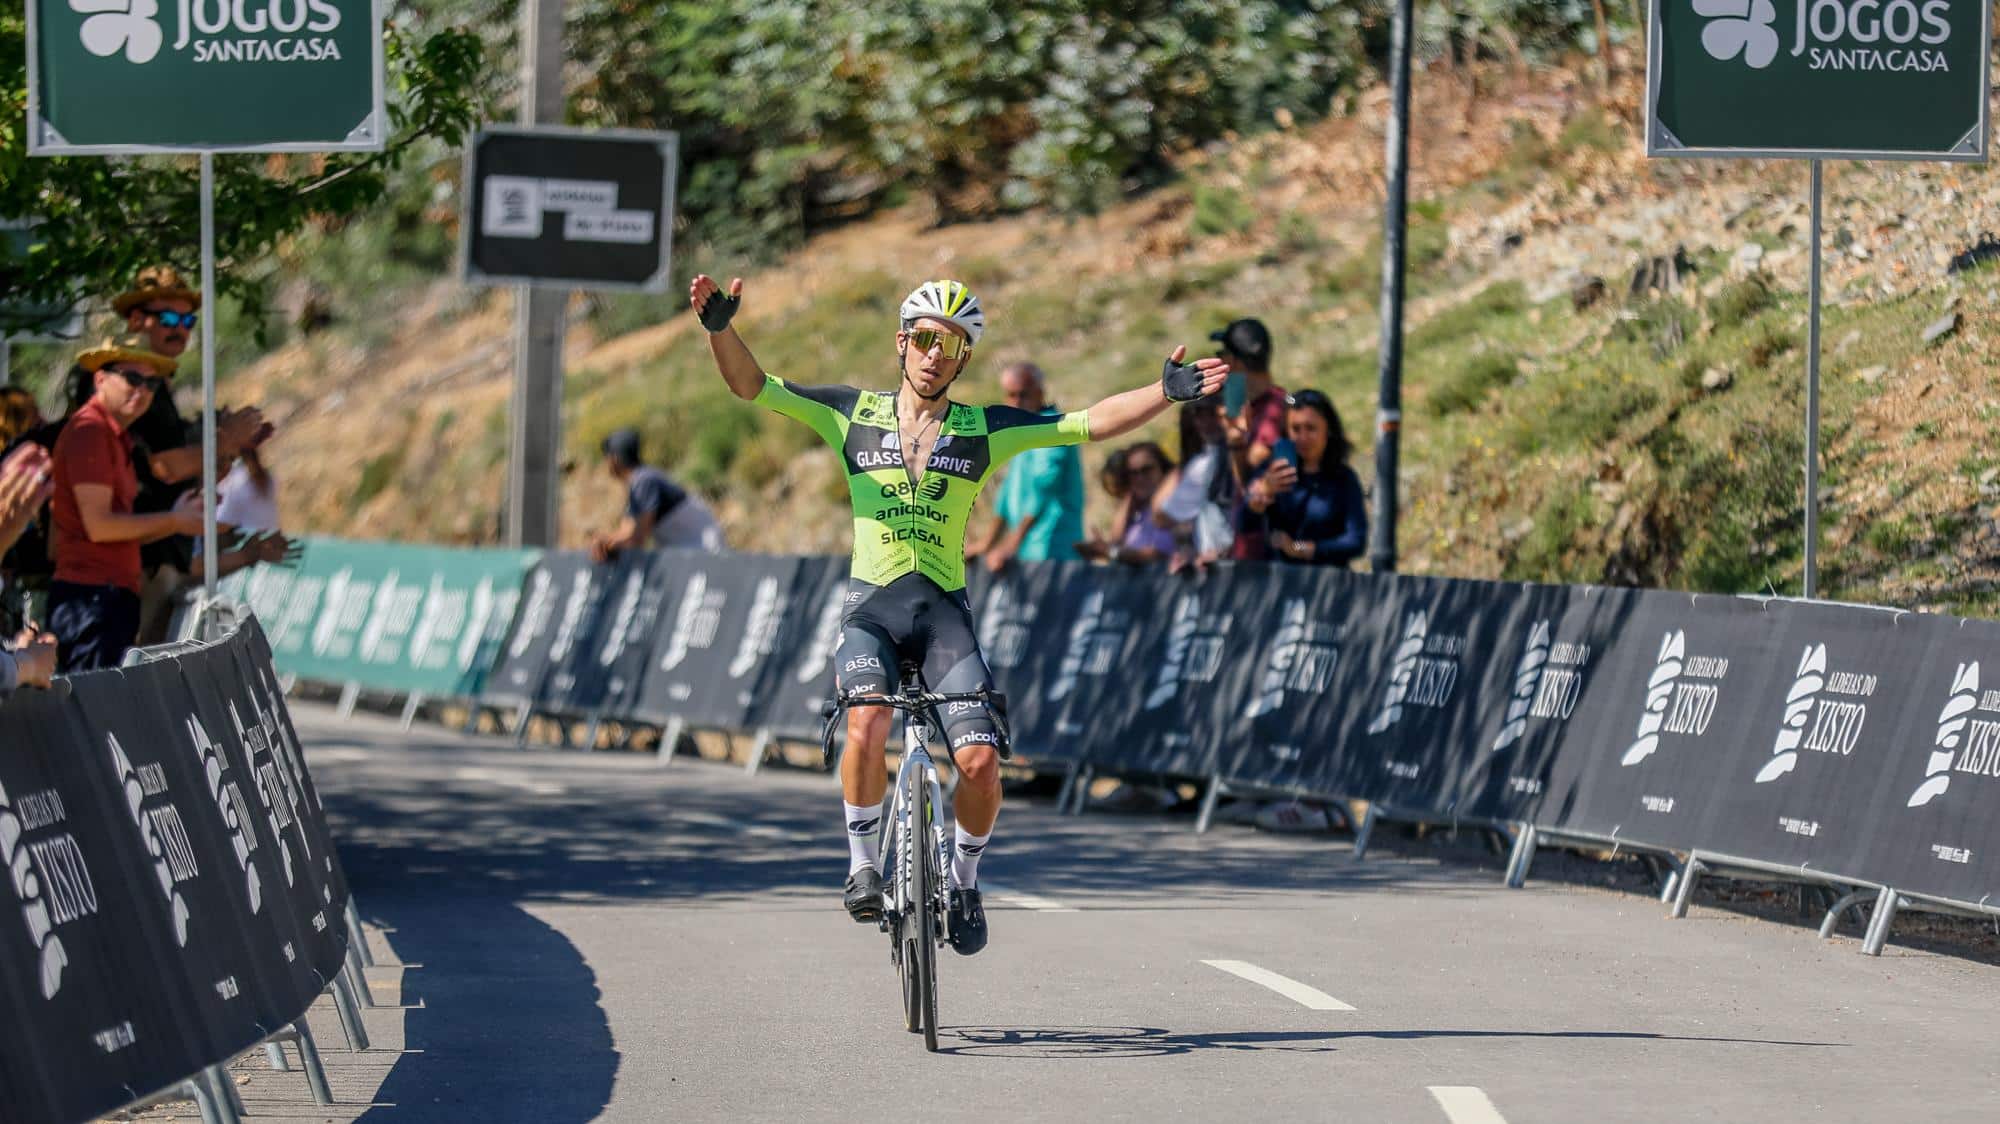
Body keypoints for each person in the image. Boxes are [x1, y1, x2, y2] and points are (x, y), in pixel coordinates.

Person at [690, 273, 1226, 955]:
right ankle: (861, 866)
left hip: (944, 616)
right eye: (924, 339)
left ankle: (964, 878)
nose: (935, 354)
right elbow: (754, 386)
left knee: (977, 762)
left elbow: (1087, 424)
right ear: (902, 343)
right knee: (868, 718)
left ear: (964, 358)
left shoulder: (982, 430)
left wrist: (1163, 393)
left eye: (953, 344)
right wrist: (719, 330)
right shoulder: (851, 413)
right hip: (872, 614)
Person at [48, 335, 205, 671]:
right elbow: (101, 526)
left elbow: (117, 529)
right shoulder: (90, 431)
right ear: (101, 379)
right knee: (90, 715)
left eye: (151, 383)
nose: (143, 390)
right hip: (90, 597)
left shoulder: (113, 434)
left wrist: (181, 517)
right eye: (132, 378)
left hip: (104, 596)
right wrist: (175, 521)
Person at [965, 361, 1085, 572]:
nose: (1017, 402)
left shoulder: (1054, 428)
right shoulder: (1022, 431)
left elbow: (1043, 489)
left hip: (1052, 550)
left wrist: (1009, 545)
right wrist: (987, 543)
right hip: (1025, 552)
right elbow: (1007, 494)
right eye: (1011, 395)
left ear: (1039, 393)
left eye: (1023, 394)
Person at [1244, 389, 1367, 566]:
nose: (1302, 437)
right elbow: (1244, 525)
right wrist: (1258, 500)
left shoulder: (1343, 479)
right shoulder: (1274, 471)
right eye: (1296, 429)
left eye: (1310, 428)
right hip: (1278, 580)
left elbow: (1356, 541)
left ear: (1328, 430)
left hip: (1327, 583)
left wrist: (1300, 548)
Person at [1211, 318, 1287, 560]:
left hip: (1268, 555)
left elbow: (1247, 475)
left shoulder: (1276, 409)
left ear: (1233, 362)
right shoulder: (1261, 405)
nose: (1220, 361)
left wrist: (1235, 441)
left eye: (1222, 354)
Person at [588, 428, 724, 561]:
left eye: (606, 457)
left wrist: (605, 543)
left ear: (614, 459)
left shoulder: (644, 480)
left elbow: (637, 537)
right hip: (689, 552)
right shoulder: (639, 482)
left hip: (704, 551)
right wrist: (606, 541)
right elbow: (626, 531)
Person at [1155, 395, 1240, 573]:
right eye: (1199, 414)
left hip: (1235, 564)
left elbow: (1161, 516)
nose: (1206, 422)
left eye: (1213, 413)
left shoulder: (1218, 459)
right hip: (1214, 565)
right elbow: (1162, 516)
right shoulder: (1201, 462)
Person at [1076, 442, 1176, 566]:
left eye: (1146, 470)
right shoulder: (1135, 512)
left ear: (1162, 468)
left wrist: (1110, 552)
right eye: (1133, 473)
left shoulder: (1171, 507)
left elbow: (1157, 554)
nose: (1140, 478)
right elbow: (1116, 543)